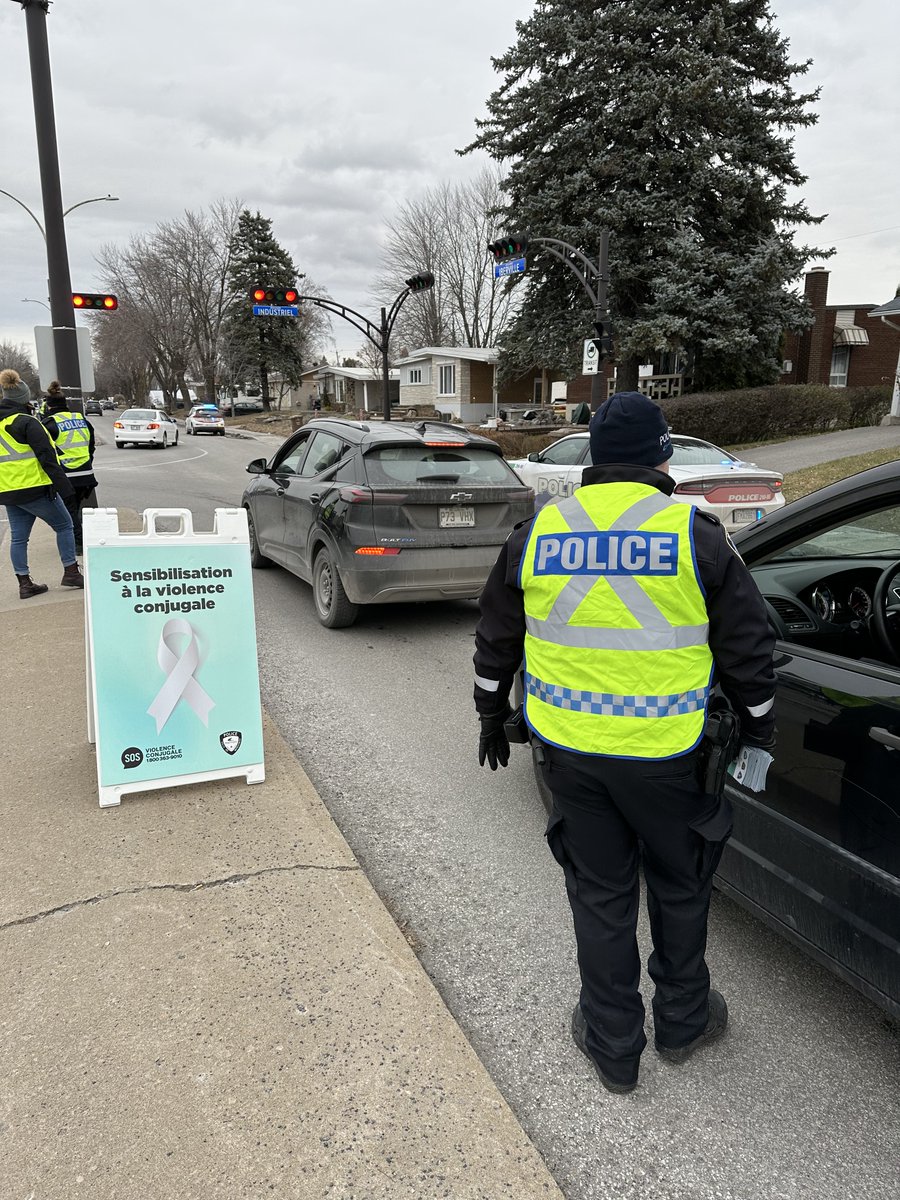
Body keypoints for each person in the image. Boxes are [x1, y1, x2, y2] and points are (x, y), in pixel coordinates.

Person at [473, 391, 776, 1094]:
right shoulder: (694, 535)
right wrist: (759, 729)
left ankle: (613, 1048)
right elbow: (749, 652)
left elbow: (494, 640)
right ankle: (682, 1022)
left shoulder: (541, 530)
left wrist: (490, 714)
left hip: (571, 757)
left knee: (601, 895)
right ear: (663, 457)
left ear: (591, 460)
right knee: (680, 886)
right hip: (672, 756)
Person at [0, 368, 83, 598]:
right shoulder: (26, 422)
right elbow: (47, 458)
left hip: (7, 490)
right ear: (24, 398)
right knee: (65, 525)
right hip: (34, 488)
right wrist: (66, 490)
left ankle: (24, 583)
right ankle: (71, 572)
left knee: (18, 537)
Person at [40, 380, 98, 555]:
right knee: (75, 509)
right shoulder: (81, 419)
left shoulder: (49, 424)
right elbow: (91, 445)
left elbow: (46, 453)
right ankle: (79, 541)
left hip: (65, 476)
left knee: (69, 513)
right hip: (86, 474)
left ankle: (78, 545)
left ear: (48, 406)